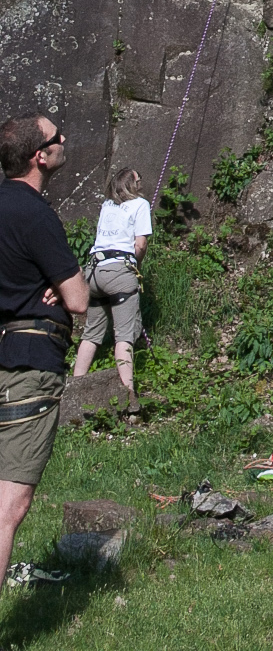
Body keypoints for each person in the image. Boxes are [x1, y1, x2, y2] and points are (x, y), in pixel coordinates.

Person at [0, 115, 88, 590]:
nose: (64, 140)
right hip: (27, 366)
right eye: (58, 137)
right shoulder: (35, 212)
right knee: (6, 511)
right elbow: (76, 299)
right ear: (40, 156)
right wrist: (60, 283)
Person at [72, 166, 151, 415]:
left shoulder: (108, 205)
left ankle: (73, 391)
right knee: (124, 336)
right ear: (132, 183)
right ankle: (130, 400)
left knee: (91, 335)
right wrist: (134, 268)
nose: (141, 183)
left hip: (94, 271)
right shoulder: (140, 204)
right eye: (139, 179)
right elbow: (140, 244)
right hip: (119, 271)